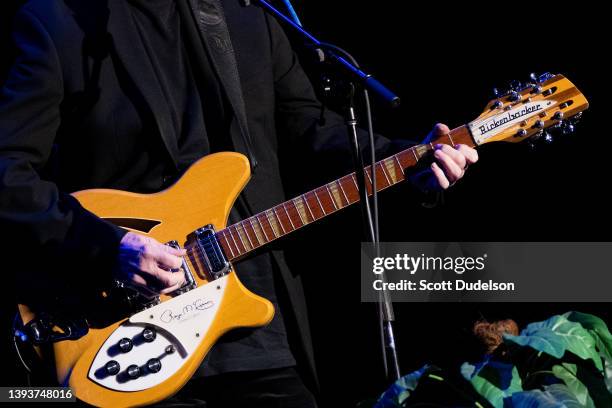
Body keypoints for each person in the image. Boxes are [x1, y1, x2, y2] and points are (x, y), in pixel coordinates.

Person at [0, 0, 477, 406]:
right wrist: (110, 246)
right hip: (119, 328)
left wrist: (408, 160)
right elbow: (8, 171)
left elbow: (312, 133)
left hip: (254, 331)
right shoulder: (58, 20)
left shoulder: (249, 13)